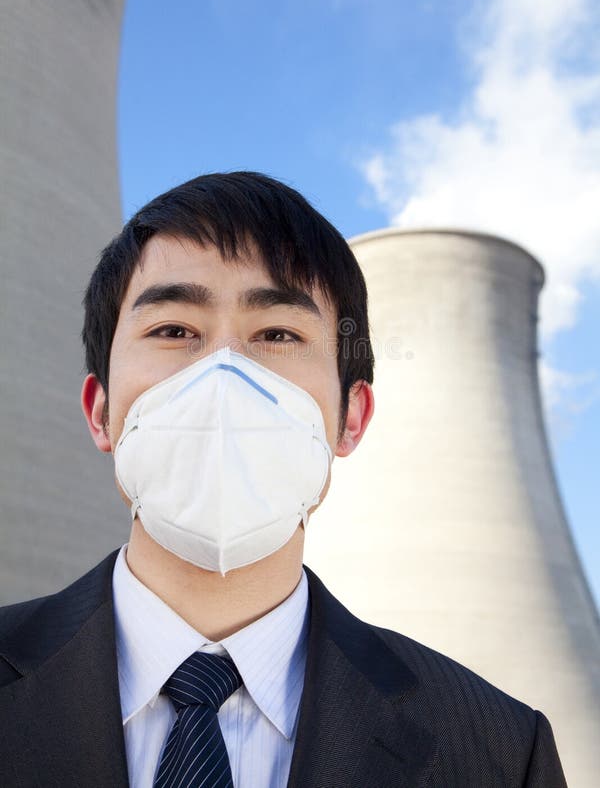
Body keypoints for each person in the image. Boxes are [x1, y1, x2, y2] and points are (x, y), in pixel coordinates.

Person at [0, 172, 566, 788]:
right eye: (173, 330)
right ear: (100, 410)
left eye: (277, 335)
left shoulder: (498, 751)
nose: (222, 376)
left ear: (351, 418)